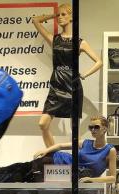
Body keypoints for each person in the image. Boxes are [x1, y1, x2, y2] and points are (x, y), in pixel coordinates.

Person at [33, 3, 102, 147]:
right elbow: (35, 20)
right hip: (56, 85)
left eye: (63, 14)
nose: (60, 18)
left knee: (74, 130)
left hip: (73, 87)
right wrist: (54, 14)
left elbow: (99, 62)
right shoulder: (54, 39)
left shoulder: (80, 42)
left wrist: (84, 74)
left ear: (72, 17)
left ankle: (76, 162)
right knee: (43, 123)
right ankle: (54, 155)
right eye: (59, 15)